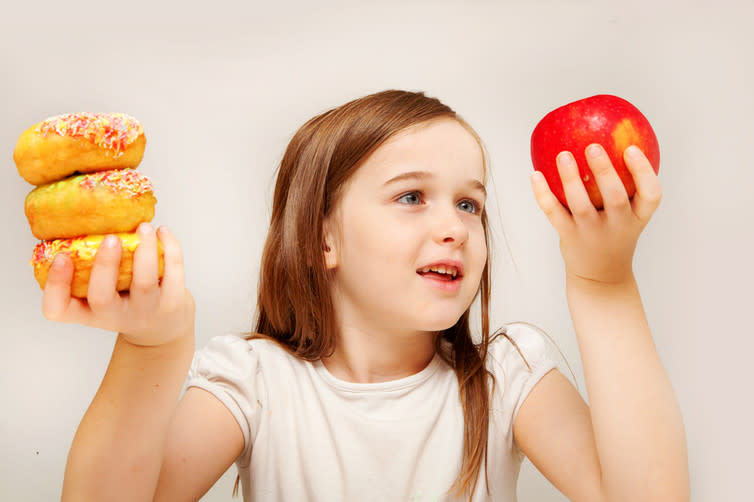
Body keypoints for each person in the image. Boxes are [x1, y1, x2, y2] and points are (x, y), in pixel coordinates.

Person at [43, 90, 689, 501]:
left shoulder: (506, 376)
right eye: (412, 197)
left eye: (471, 203)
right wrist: (151, 348)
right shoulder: (253, 381)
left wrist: (605, 284)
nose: (453, 226)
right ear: (324, 241)